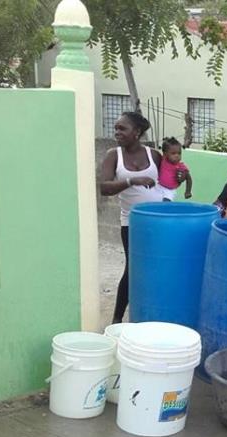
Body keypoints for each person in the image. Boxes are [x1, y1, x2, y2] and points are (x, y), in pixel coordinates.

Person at [99, 111, 163, 324]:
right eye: (116, 128)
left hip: (160, 222)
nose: (117, 132)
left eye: (122, 128)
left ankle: (153, 313)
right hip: (132, 223)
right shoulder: (113, 155)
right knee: (133, 267)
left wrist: (181, 177)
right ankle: (117, 319)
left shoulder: (154, 155)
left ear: (137, 132)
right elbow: (105, 188)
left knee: (158, 266)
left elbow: (168, 181)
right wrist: (131, 181)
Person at [157, 137, 192, 201]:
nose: (177, 155)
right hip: (158, 186)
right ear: (165, 154)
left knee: (165, 203)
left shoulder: (181, 166)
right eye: (173, 153)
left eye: (179, 153)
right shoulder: (162, 160)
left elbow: (189, 178)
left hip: (169, 190)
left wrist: (188, 191)